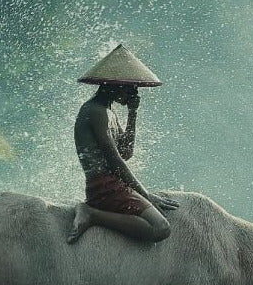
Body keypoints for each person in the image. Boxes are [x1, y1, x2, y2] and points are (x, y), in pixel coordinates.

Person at [67, 43, 179, 243]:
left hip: (114, 183)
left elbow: (126, 152)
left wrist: (132, 112)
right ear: (115, 84)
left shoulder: (109, 112)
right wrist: (145, 194)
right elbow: (115, 160)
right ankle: (92, 214)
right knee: (160, 228)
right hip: (104, 186)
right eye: (130, 88)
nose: (134, 94)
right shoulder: (95, 111)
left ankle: (95, 213)